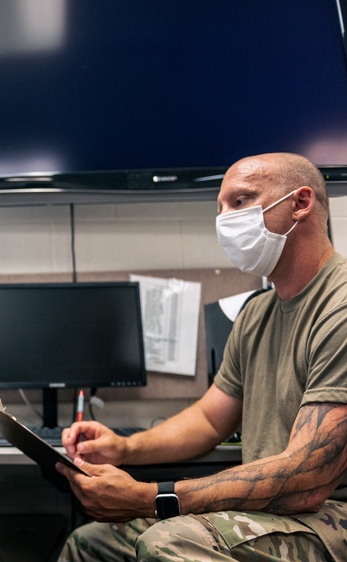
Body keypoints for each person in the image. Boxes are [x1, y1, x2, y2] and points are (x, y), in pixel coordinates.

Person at [56, 153, 347, 561]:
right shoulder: (257, 314)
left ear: (300, 203)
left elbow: (308, 477)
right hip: (271, 511)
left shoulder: (340, 305)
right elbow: (210, 419)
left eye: (240, 201)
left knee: (168, 541)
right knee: (91, 543)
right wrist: (124, 449)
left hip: (328, 514)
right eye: (220, 208)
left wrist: (150, 498)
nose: (225, 219)